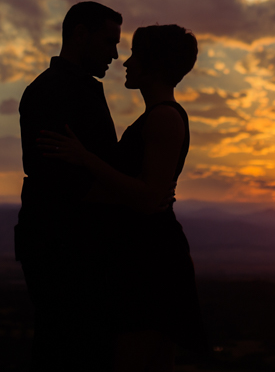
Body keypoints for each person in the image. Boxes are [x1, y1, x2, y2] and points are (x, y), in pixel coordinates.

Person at [39, 24, 204, 372]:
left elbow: (149, 197)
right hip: (143, 254)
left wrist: (85, 158)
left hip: (152, 259)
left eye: (135, 56)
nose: (125, 63)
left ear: (154, 65)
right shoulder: (158, 117)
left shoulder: (163, 119)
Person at [15, 1, 124, 372]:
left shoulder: (76, 88)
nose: (115, 54)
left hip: (72, 244)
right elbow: (59, 179)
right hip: (66, 247)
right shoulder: (53, 92)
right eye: (109, 42)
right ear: (80, 34)